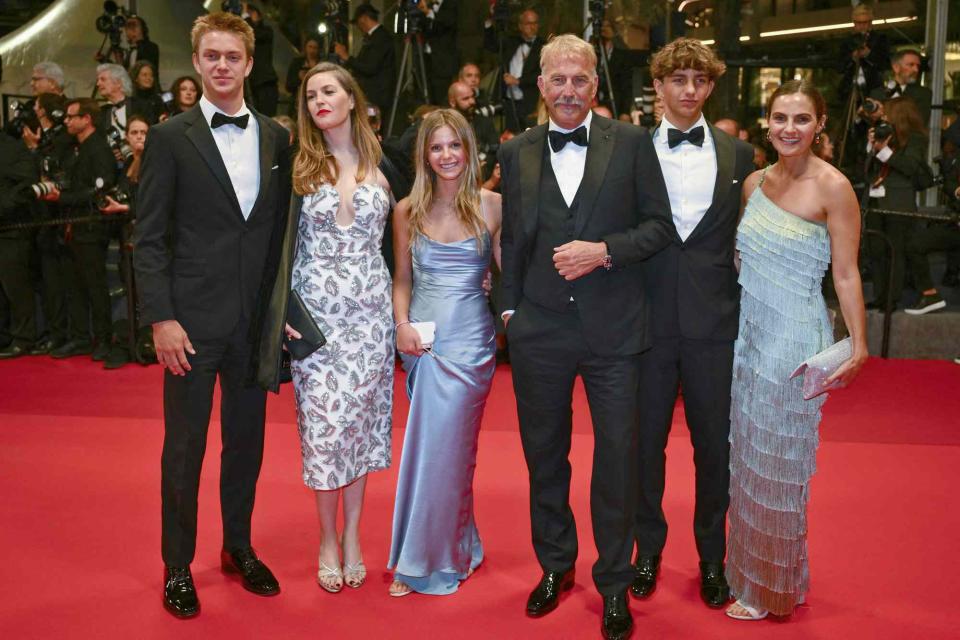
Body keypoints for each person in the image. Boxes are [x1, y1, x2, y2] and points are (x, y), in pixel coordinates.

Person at [497, 34, 672, 640]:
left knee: (617, 461)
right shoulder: (516, 150)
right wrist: (510, 314)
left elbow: (659, 228)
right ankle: (555, 566)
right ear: (540, 87)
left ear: (595, 86)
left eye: (580, 80)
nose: (569, 90)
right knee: (544, 457)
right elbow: (512, 244)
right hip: (539, 330)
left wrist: (604, 252)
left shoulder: (629, 144)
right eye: (558, 80)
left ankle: (615, 584)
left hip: (615, 332)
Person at [134, 12, 290, 618]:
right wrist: (161, 318)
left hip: (254, 325)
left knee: (245, 445)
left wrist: (282, 313)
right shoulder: (172, 137)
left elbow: (280, 234)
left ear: (250, 64)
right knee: (185, 448)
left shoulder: (277, 137)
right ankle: (177, 564)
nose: (222, 65)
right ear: (197, 63)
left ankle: (238, 547)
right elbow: (148, 238)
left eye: (233, 56)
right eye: (212, 56)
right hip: (191, 327)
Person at [725, 80, 868, 621]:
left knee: (779, 467)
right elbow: (742, 261)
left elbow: (848, 273)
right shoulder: (754, 184)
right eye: (780, 117)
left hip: (794, 340)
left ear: (820, 125)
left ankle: (770, 591)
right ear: (767, 122)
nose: (789, 128)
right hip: (751, 336)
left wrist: (858, 344)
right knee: (749, 464)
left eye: (801, 119)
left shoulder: (834, 187)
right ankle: (764, 574)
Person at [259, 62, 393, 594]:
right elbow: (274, 249)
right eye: (311, 94)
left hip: (370, 324)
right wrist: (284, 314)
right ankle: (326, 539)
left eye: (329, 90)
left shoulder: (385, 164)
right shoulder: (295, 167)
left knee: (358, 433)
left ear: (351, 99)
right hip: (314, 325)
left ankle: (355, 535)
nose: (319, 100)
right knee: (323, 434)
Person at [631, 37, 756, 611]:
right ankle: (648, 551)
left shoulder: (739, 155)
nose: (688, 90)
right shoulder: (628, 150)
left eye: (698, 81)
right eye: (677, 79)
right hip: (646, 321)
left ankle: (713, 557)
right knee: (642, 446)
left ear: (710, 87)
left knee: (714, 447)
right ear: (658, 86)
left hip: (715, 321)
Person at [387, 108, 501, 596]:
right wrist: (401, 326)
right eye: (437, 147)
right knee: (436, 451)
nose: (447, 155)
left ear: (470, 150)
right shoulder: (406, 210)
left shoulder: (493, 205)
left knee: (449, 451)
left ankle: (425, 561)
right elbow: (401, 280)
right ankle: (458, 546)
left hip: (471, 343)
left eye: (455, 145)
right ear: (424, 156)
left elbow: (508, 273)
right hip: (422, 343)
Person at [41, 98, 117, 362]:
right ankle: (82, 338)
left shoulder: (99, 150)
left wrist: (61, 198)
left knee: (95, 287)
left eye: (72, 117)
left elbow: (100, 190)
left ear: (87, 119)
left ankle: (104, 340)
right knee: (74, 286)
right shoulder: (77, 148)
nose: (67, 121)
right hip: (73, 227)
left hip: (91, 227)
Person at [864, 96, 930, 310]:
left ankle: (892, 298)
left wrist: (883, 151)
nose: (883, 118)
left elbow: (909, 166)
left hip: (898, 202)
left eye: (887, 113)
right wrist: (870, 146)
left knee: (895, 251)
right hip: (875, 200)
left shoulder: (916, 139)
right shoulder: (884, 135)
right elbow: (865, 169)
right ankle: (880, 295)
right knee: (876, 250)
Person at [98, 114, 150, 369]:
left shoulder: (158, 163)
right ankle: (123, 342)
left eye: (143, 132)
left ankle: (144, 343)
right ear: (127, 136)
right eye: (134, 132)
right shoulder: (125, 163)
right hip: (121, 235)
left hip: (148, 239)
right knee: (120, 291)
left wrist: (128, 206)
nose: (139, 136)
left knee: (143, 292)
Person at [0, 131, 40, 359]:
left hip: (13, 228)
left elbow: (27, 184)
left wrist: (4, 206)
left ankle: (24, 338)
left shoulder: (13, 148)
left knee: (16, 287)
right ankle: (4, 335)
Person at [484, 7, 543, 132]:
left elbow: (542, 74)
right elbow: (491, 45)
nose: (532, 27)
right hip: (508, 99)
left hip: (529, 102)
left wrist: (518, 81)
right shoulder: (511, 41)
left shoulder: (544, 47)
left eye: (535, 23)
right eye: (528, 23)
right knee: (509, 135)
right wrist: (489, 22)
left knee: (528, 136)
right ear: (520, 26)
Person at [335, 3, 395, 112]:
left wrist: (347, 57)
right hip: (370, 94)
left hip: (377, 96)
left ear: (364, 18)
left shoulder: (381, 37)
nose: (358, 27)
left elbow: (370, 67)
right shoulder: (373, 37)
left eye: (358, 22)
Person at [838, 3, 889, 103]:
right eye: (858, 23)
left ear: (870, 23)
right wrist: (852, 57)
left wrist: (869, 54)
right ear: (854, 23)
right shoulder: (846, 42)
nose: (862, 26)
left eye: (865, 22)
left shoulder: (880, 39)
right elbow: (839, 66)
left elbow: (885, 63)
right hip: (850, 89)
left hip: (873, 87)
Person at [870, 49, 931, 123]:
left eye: (918, 66)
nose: (916, 70)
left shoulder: (923, 94)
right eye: (911, 65)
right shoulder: (877, 93)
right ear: (896, 67)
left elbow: (918, 122)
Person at [418, 0, 459, 106]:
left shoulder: (451, 4)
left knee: (441, 98)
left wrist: (429, 13)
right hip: (426, 59)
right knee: (426, 98)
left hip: (443, 62)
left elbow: (445, 25)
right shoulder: (426, 6)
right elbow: (422, 28)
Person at [244, 3, 279, 117]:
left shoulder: (266, 31)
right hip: (249, 83)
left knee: (267, 118)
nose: (248, 17)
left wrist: (245, 16)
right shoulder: (240, 35)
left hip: (265, 82)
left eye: (250, 14)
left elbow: (253, 35)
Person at [285, 35, 323, 116]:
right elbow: (288, 86)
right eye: (310, 47)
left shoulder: (322, 65)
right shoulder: (297, 63)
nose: (312, 50)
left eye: (315, 48)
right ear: (305, 48)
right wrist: (299, 79)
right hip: (298, 103)